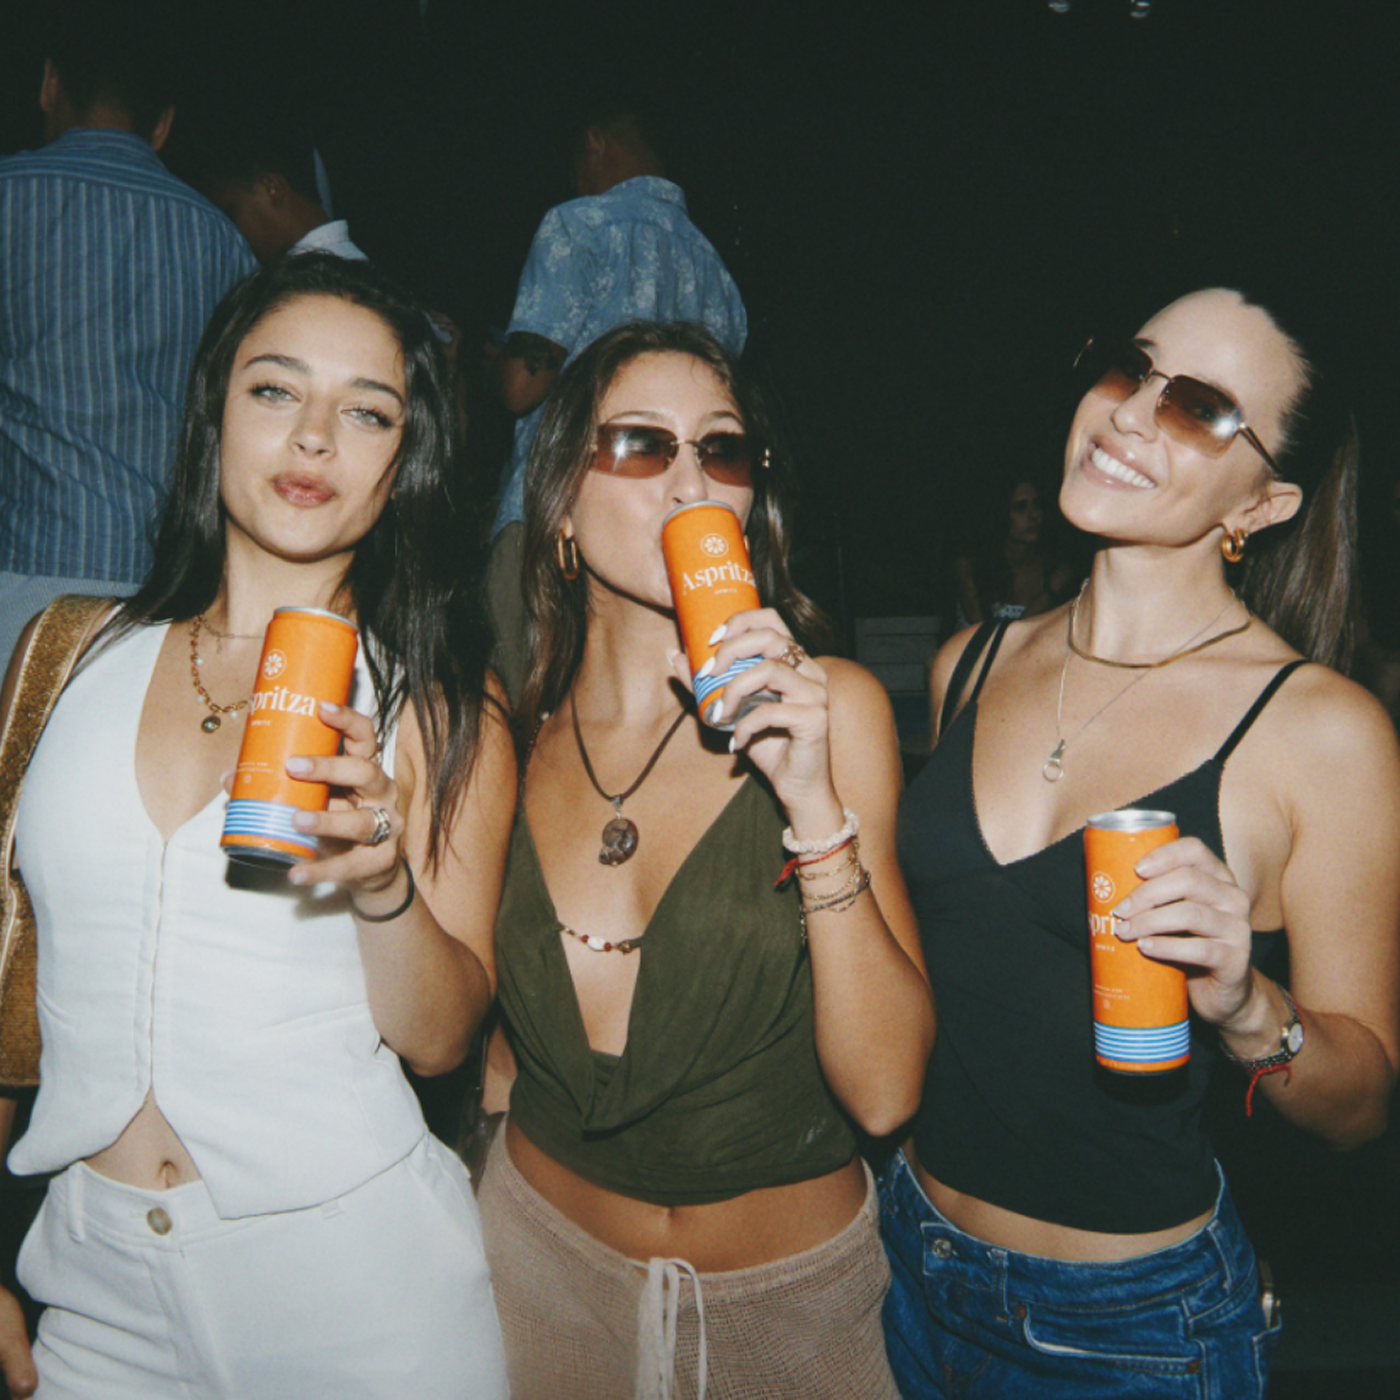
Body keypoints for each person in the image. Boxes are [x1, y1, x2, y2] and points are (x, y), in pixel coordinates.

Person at [0, 253, 511, 1399]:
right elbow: (3, 977)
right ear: (213, 414)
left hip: (355, 1291)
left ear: (404, 460)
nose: (314, 437)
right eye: (275, 389)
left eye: (367, 411)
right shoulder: (63, 656)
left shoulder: (433, 700)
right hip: (92, 1290)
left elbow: (443, 1038)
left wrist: (381, 881)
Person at [882, 286, 1400, 1398]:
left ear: (1261, 505)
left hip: (1125, 1329)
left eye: (1199, 406)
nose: (1128, 412)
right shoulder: (964, 663)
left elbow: (1362, 1105)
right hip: (903, 1260)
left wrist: (1245, 1004)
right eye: (1130, 368)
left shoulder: (1319, 729)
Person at [475, 321, 934, 1399]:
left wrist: (809, 798)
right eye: (640, 444)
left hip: (786, 1315)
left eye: (720, 449)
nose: (689, 476)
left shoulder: (836, 710)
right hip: (535, 1279)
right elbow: (495, 1049)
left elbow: (885, 1091)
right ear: (558, 504)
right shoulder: (509, 728)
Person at [0, 0, 258, 665]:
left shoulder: (11, 197)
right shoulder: (221, 240)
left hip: (28, 574)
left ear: (49, 85)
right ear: (163, 126)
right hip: (167, 590)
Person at [485, 101, 747, 700]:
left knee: (527, 709)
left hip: (553, 512)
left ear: (597, 142)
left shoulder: (577, 226)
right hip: (690, 533)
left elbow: (522, 384)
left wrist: (492, 366)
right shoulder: (717, 268)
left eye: (576, 161)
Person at [952, 476, 1076, 628]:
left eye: (1036, 505)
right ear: (1000, 514)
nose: (1033, 515)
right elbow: (989, 641)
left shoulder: (1051, 569)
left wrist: (1053, 587)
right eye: (1020, 507)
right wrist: (1049, 592)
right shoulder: (971, 565)